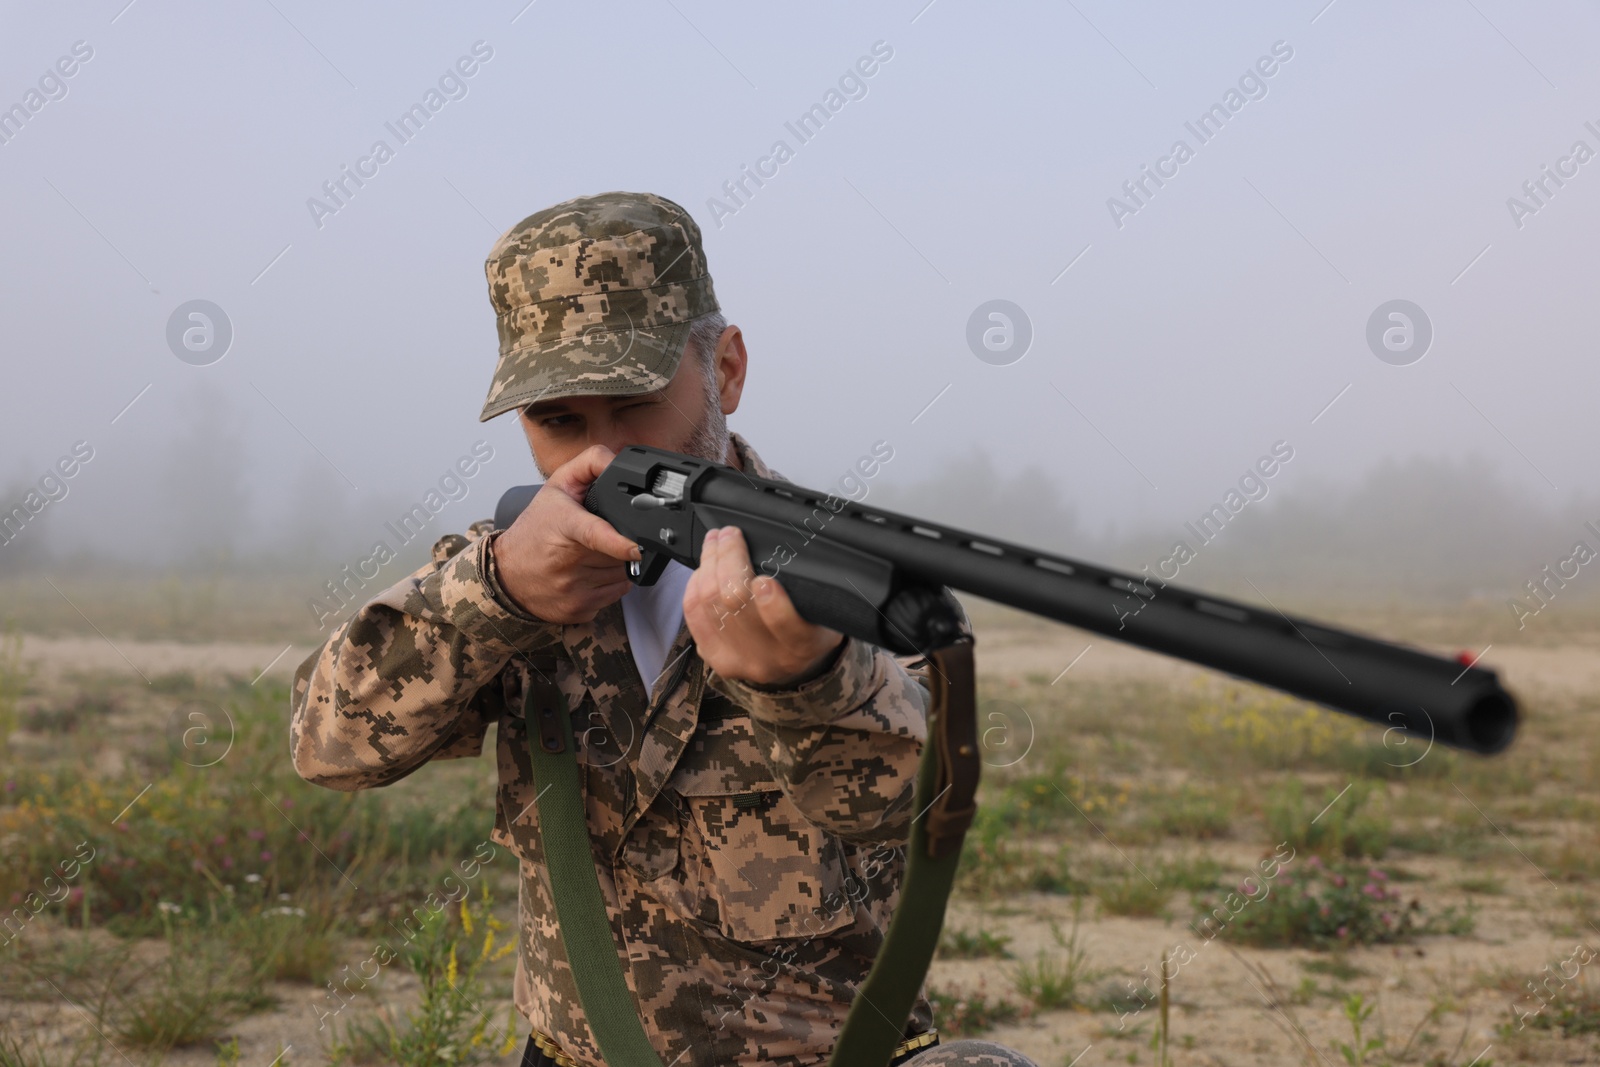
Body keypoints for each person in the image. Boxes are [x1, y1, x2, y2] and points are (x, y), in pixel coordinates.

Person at [290, 191, 1037, 1067]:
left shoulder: (851, 578)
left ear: (725, 369)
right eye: (558, 419)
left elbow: (911, 815)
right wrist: (497, 593)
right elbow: (327, 746)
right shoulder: (505, 574)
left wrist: (805, 682)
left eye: (633, 401)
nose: (600, 455)